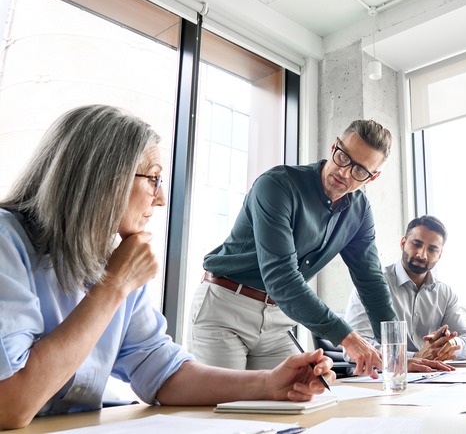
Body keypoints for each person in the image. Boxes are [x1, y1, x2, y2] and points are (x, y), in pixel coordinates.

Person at [0, 105, 334, 430]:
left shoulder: (116, 260)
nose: (160, 200)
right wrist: (114, 287)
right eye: (154, 179)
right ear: (103, 179)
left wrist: (270, 383)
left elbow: (161, 371)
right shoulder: (7, 243)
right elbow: (10, 406)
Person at [189, 119, 447, 376]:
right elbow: (282, 277)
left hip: (278, 320)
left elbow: (371, 282)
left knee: (296, 405)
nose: (344, 173)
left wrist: (396, 356)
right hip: (226, 308)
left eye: (360, 171)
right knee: (224, 410)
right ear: (335, 146)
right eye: (343, 157)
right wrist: (348, 337)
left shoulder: (359, 211)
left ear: (373, 177)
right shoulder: (277, 186)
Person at [344, 215, 466, 363]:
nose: (422, 255)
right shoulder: (371, 284)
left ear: (440, 254)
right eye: (416, 244)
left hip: (430, 377)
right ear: (403, 243)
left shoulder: (445, 293)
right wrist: (413, 358)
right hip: (381, 378)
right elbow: (355, 348)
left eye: (432, 249)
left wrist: (451, 344)